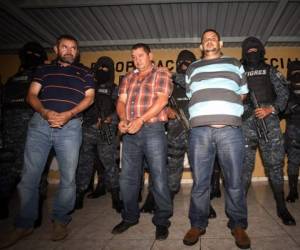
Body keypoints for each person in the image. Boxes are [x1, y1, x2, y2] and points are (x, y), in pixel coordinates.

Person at [0, 34, 95, 249]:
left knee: (68, 178)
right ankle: (24, 223)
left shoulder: (85, 72)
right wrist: (44, 112)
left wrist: (69, 114)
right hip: (40, 125)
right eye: (65, 47)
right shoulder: (43, 70)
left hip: (70, 126)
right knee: (29, 177)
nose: (69, 51)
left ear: (77, 51)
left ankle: (60, 220)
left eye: (73, 48)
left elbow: (89, 97)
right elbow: (31, 95)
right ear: (56, 49)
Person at [183, 29, 250, 249]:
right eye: (205, 40)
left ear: (220, 42)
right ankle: (197, 224)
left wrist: (224, 111)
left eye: (213, 38)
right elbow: (192, 95)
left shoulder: (235, 63)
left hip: (230, 131)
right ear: (201, 46)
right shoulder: (192, 68)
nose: (209, 41)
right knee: (200, 182)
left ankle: (238, 225)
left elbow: (242, 94)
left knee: (234, 182)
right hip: (200, 132)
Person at [112, 43, 173, 240]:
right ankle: (130, 217)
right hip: (130, 132)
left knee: (159, 177)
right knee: (128, 178)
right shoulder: (128, 77)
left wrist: (140, 120)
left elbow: (162, 100)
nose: (137, 59)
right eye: (133, 56)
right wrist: (123, 120)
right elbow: (121, 101)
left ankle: (162, 220)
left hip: (153, 129)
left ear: (150, 55)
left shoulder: (161, 73)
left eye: (140, 55)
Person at [241, 36, 296, 226]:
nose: (252, 53)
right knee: (243, 167)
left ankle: (281, 207)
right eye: (248, 50)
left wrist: (270, 109)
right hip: (246, 122)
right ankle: (240, 208)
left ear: (261, 51)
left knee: (274, 165)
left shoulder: (270, 70)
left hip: (269, 122)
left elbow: (284, 94)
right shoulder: (238, 71)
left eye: (255, 50)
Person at [0, 42, 49, 222]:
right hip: (19, 130)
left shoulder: (112, 88)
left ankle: (108, 191)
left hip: (102, 129)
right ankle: (86, 189)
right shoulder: (15, 80)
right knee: (11, 168)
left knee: (105, 160)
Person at [75, 56, 121, 212]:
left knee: (109, 163)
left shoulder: (114, 88)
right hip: (88, 128)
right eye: (100, 67)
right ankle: (79, 195)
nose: (102, 71)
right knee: (84, 163)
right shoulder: (89, 86)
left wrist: (110, 119)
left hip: (106, 128)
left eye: (106, 68)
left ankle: (116, 196)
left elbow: (119, 108)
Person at [284, 60, 300, 203]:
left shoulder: (287, 86)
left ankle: (293, 191)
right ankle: (293, 191)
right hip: (293, 127)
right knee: (294, 161)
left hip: (293, 127)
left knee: (293, 162)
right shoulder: (287, 87)